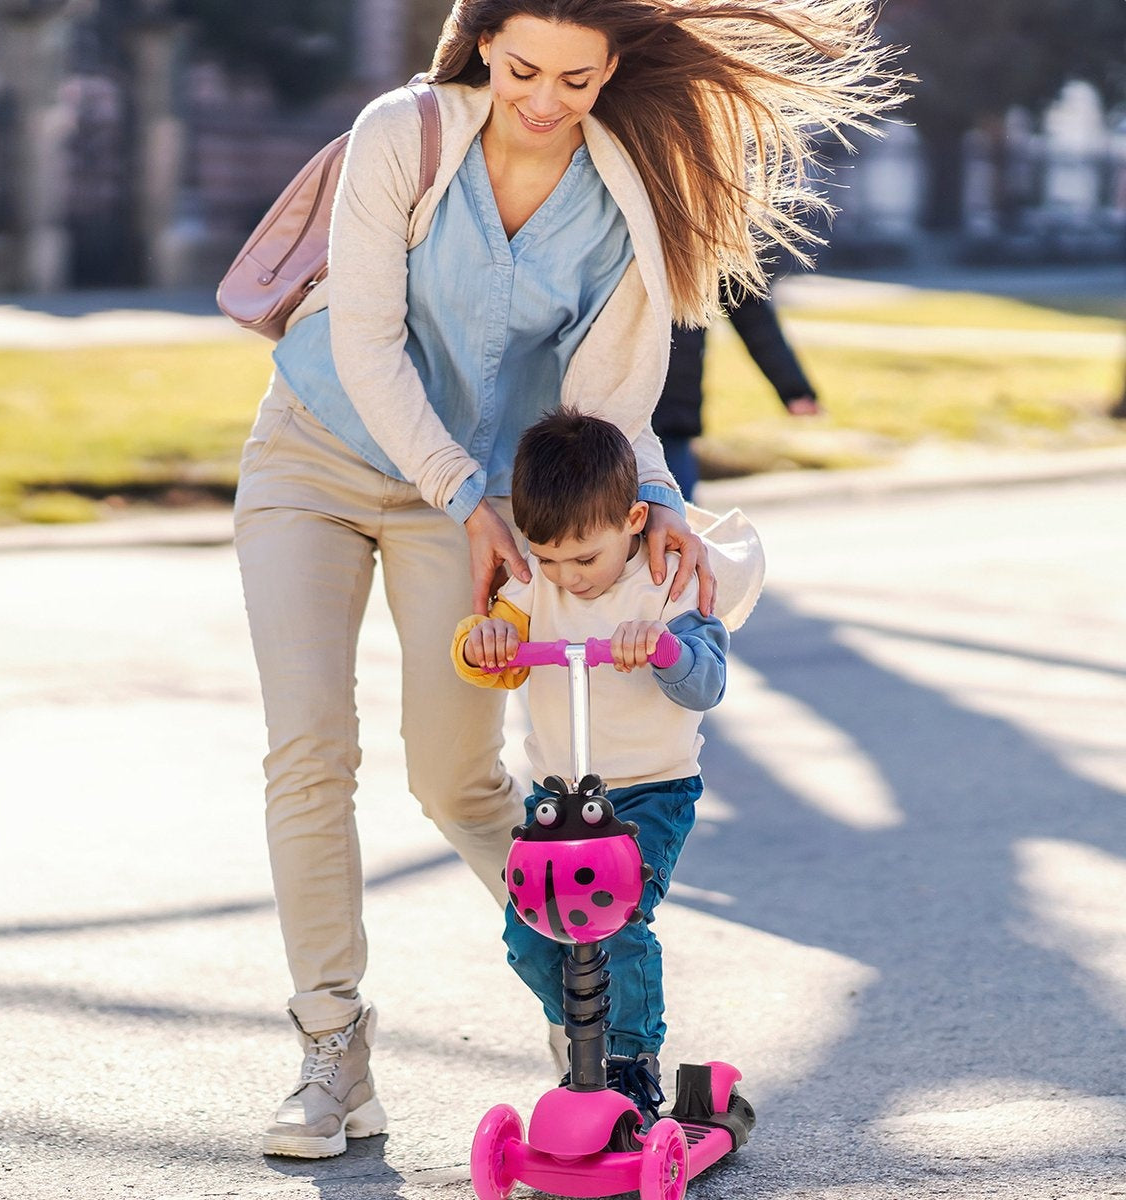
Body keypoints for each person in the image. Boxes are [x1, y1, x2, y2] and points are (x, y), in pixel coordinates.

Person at [232, 0, 896, 1160]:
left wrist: (667, 514)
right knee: (308, 751)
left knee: (458, 781)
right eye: (526, 66)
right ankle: (332, 1054)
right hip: (322, 459)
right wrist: (462, 494)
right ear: (485, 42)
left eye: (578, 80)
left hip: (483, 505)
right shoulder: (409, 131)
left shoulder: (620, 193)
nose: (546, 99)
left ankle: (589, 1025)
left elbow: (605, 404)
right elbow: (366, 342)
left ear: (610, 72)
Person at [452, 408, 730, 1124]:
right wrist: (482, 641)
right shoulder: (533, 586)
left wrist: (665, 649)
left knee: (618, 916)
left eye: (584, 559)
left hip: (649, 793)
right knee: (529, 935)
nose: (565, 577)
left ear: (635, 519)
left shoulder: (667, 582)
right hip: (556, 798)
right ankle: (589, 1043)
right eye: (547, 558)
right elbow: (493, 658)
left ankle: (631, 1062)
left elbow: (708, 682)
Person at [655, 289, 820, 499]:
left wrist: (793, 388)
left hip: (670, 411)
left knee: (678, 515)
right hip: (616, 408)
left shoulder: (707, 255)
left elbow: (749, 307)